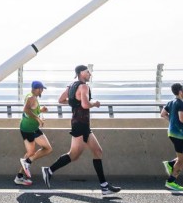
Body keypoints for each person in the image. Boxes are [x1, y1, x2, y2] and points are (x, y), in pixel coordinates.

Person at [41, 64, 121, 195]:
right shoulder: (84, 86)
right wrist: (94, 103)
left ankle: (104, 186)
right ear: (80, 72)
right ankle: (48, 171)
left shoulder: (71, 86)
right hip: (80, 125)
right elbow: (85, 104)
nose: (90, 74)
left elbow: (61, 100)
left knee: (98, 151)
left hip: (81, 124)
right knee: (73, 155)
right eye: (87, 72)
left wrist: (74, 102)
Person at [15, 80, 53, 186]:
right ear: (37, 89)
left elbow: (31, 109)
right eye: (41, 89)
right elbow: (26, 110)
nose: (42, 91)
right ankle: (27, 163)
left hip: (28, 128)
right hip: (29, 129)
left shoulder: (30, 96)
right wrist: (38, 119)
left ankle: (19, 176)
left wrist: (41, 110)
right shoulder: (32, 97)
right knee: (47, 149)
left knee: (31, 153)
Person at [161, 82, 183, 191]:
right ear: (180, 92)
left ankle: (171, 163)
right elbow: (182, 119)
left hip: (173, 133)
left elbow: (163, 114)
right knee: (181, 160)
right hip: (178, 134)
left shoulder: (170, 102)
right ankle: (171, 182)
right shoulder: (181, 104)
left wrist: (172, 121)